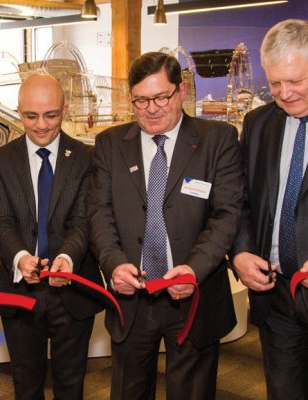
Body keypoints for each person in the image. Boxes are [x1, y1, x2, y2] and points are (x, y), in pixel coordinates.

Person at [86, 52, 243, 400]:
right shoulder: (110, 144)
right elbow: (99, 213)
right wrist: (113, 264)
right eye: (141, 100)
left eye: (161, 97)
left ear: (181, 90)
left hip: (193, 295)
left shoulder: (217, 139)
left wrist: (193, 270)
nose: (151, 108)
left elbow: (226, 214)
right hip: (132, 297)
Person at [0, 72, 103, 400]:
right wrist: (20, 257)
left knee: (71, 386)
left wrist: (66, 259)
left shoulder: (86, 158)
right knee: (26, 387)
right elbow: (1, 220)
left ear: (65, 110)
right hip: (20, 291)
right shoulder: (0, 159)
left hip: (73, 291)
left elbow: (84, 221)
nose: (41, 124)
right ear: (18, 111)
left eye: (51, 115)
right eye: (31, 115)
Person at [232, 19, 308, 399]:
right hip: (276, 294)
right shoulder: (259, 123)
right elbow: (242, 199)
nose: (284, 93)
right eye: (275, 83)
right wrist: (242, 252)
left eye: (295, 81)